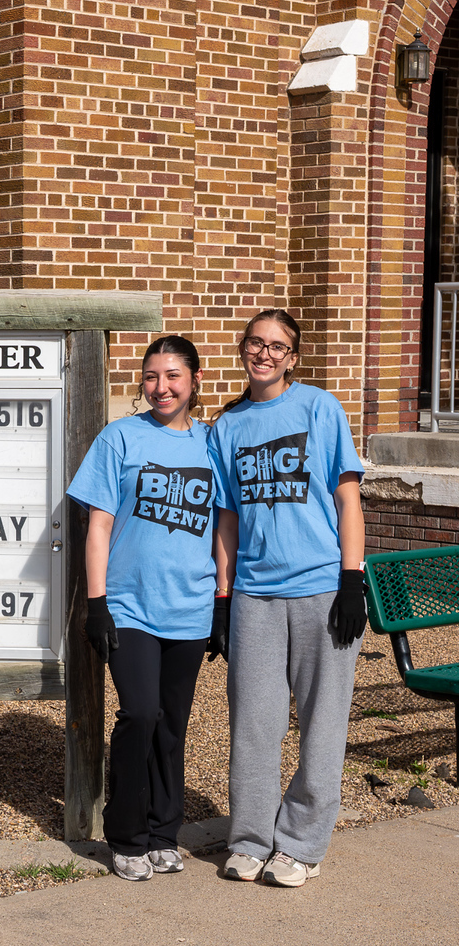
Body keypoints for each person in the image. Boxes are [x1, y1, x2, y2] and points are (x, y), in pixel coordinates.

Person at [209, 308, 366, 888]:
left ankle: (301, 843)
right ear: (244, 350)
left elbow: (347, 499)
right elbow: (226, 519)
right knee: (253, 721)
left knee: (323, 720)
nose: (265, 353)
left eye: (278, 346)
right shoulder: (228, 427)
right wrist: (223, 598)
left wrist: (354, 580)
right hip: (255, 593)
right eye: (256, 343)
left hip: (323, 588)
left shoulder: (321, 408)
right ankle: (251, 838)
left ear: (293, 357)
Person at [67, 335, 218, 881]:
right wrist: (97, 603)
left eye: (174, 376)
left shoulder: (212, 445)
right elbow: (99, 524)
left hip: (191, 603)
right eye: (152, 376)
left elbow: (225, 524)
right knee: (140, 713)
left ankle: (163, 831)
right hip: (129, 606)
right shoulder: (119, 439)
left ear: (194, 381)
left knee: (173, 723)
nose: (162, 387)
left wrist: (221, 600)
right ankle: (126, 835)